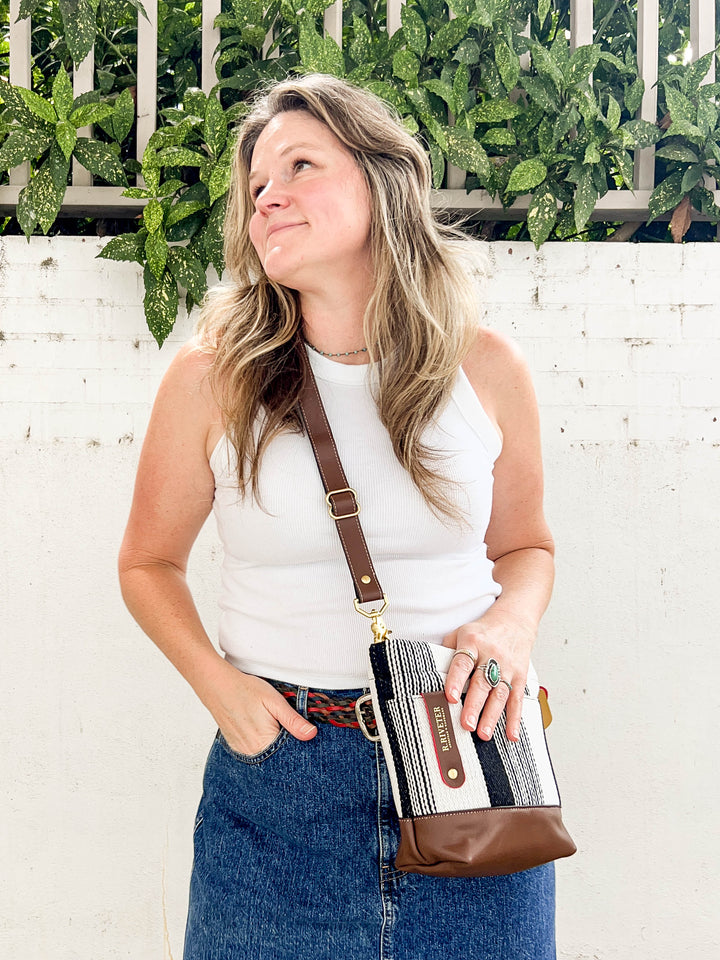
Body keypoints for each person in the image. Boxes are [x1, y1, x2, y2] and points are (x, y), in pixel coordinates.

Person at [118, 73, 557, 959]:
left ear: (381, 178)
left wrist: (510, 626)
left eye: (299, 165)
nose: (268, 196)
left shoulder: (485, 367)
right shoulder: (212, 380)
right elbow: (146, 564)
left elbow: (526, 545)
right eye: (255, 190)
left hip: (469, 758)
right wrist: (220, 688)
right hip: (279, 778)